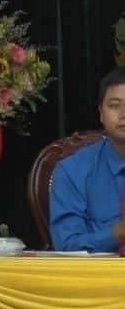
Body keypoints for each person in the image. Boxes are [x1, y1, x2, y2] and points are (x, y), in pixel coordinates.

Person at [49, 66, 125, 252]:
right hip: (100, 271)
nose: (124, 114)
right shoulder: (72, 171)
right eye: (115, 105)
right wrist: (118, 233)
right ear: (101, 113)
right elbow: (67, 244)